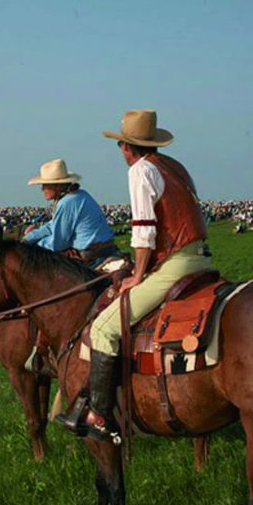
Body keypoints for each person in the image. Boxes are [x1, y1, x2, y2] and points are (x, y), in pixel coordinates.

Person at [57, 110, 212, 442]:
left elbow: (144, 230)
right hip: (200, 260)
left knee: (103, 328)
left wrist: (138, 274)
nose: (121, 152)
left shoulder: (140, 171)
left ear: (128, 146)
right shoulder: (174, 167)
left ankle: (98, 414)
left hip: (174, 264)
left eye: (121, 146)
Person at [23, 158, 117, 267]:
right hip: (105, 248)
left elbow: (58, 244)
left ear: (57, 186)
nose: (42, 189)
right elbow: (53, 225)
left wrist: (33, 246)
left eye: (45, 185)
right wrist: (30, 237)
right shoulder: (79, 194)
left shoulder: (66, 202)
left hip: (91, 254)